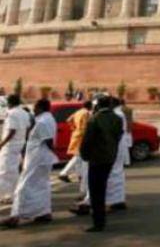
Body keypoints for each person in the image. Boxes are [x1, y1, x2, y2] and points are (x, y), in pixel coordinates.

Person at [0, 99, 57, 228]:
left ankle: (15, 217)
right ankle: (44, 212)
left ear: (41, 108)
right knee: (42, 185)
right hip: (41, 159)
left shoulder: (42, 122)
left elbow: (48, 141)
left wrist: (52, 153)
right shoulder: (49, 118)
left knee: (23, 187)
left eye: (35, 108)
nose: (34, 110)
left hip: (37, 159)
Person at [79, 96, 123, 232]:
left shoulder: (94, 119)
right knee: (102, 187)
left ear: (97, 105)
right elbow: (118, 136)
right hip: (110, 157)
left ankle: (98, 222)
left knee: (95, 191)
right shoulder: (117, 118)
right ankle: (100, 219)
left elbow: (87, 140)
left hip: (96, 158)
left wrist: (85, 155)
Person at [0, 94, 32, 204]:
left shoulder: (12, 113)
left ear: (10, 103)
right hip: (19, 145)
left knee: (3, 171)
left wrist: (1, 144)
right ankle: (12, 195)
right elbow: (28, 129)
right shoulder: (24, 113)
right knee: (13, 172)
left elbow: (12, 131)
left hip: (10, 146)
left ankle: (6, 194)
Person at [59, 100, 92, 184]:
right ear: (90, 106)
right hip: (81, 136)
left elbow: (68, 119)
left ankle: (79, 174)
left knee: (78, 156)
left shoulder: (78, 112)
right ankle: (64, 172)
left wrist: (73, 128)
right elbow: (85, 126)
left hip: (76, 134)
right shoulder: (86, 113)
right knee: (79, 156)